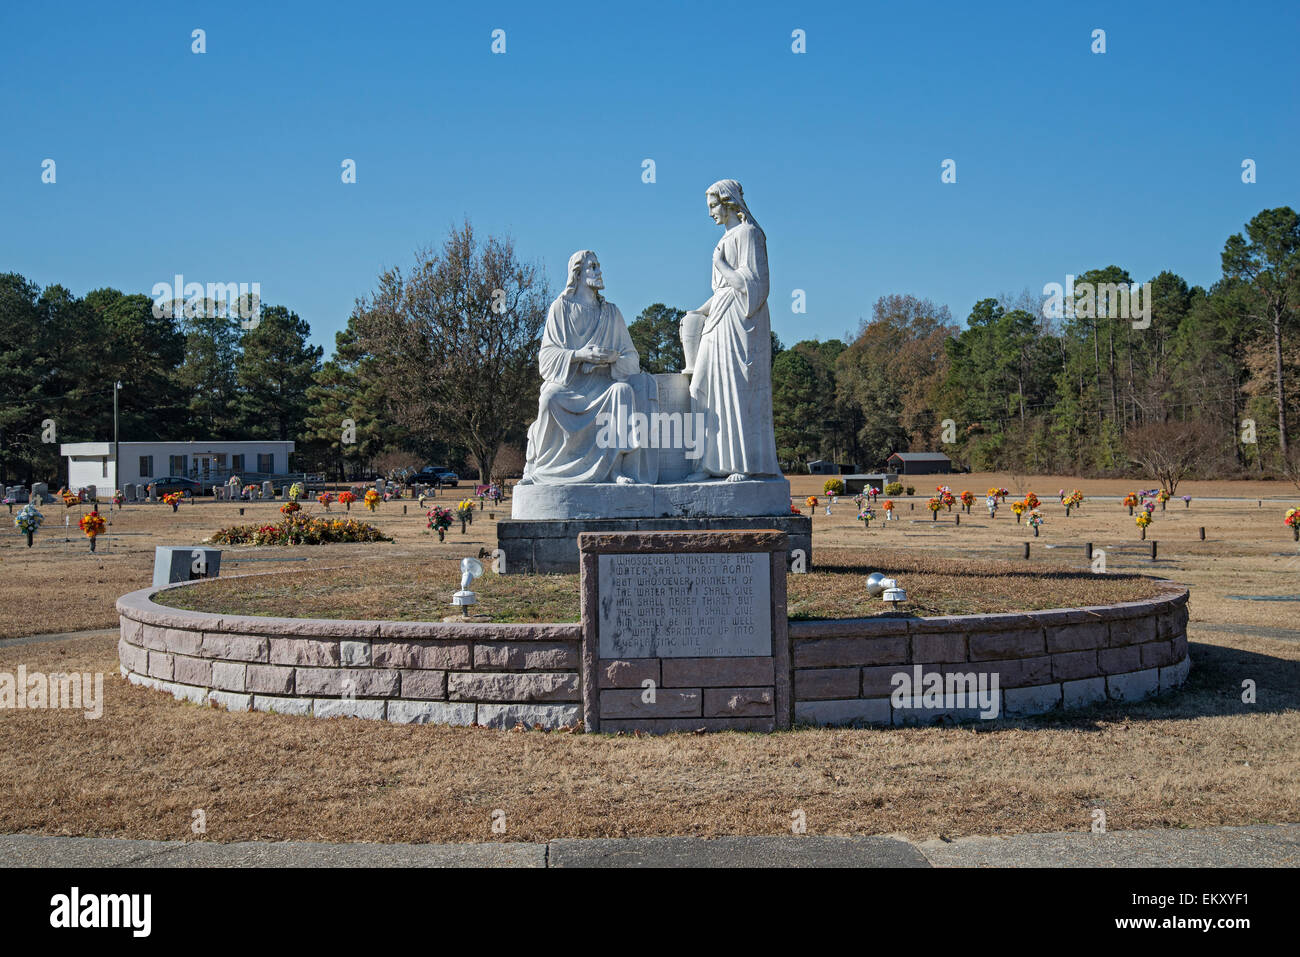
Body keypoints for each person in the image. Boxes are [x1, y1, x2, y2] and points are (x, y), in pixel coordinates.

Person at [520, 250, 658, 485]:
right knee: (550, 398)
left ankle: (615, 469)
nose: (599, 271)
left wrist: (611, 359)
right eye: (592, 267)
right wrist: (580, 355)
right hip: (571, 385)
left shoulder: (612, 313)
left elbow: (632, 357)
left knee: (622, 392)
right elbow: (547, 357)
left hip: (604, 384)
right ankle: (542, 469)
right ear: (578, 273)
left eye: (598, 266)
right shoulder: (560, 308)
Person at [681, 180, 780, 482]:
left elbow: (755, 287)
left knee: (736, 394)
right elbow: (723, 291)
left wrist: (721, 265)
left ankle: (740, 465)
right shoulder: (725, 240)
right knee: (702, 388)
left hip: (741, 324)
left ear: (729, 203)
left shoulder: (750, 234)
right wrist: (699, 312)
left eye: (713, 205)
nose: (710, 212)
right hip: (718, 320)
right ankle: (707, 464)